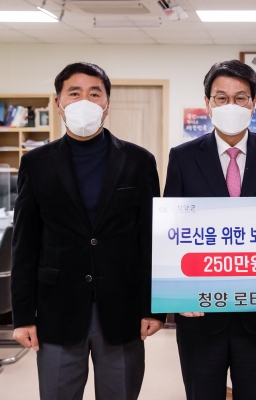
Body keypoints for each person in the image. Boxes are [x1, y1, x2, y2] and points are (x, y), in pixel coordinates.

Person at [11, 62, 164, 400]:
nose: (85, 101)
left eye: (94, 94)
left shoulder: (139, 161)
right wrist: (22, 316)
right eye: (74, 93)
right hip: (57, 310)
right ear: (58, 103)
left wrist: (153, 308)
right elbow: (25, 243)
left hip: (122, 309)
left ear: (107, 104)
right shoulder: (36, 163)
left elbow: (150, 239)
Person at [164, 59, 256, 400]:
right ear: (207, 103)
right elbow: (171, 232)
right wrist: (177, 295)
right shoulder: (183, 157)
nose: (231, 105)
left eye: (240, 98)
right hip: (200, 312)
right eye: (221, 98)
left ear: (253, 103)